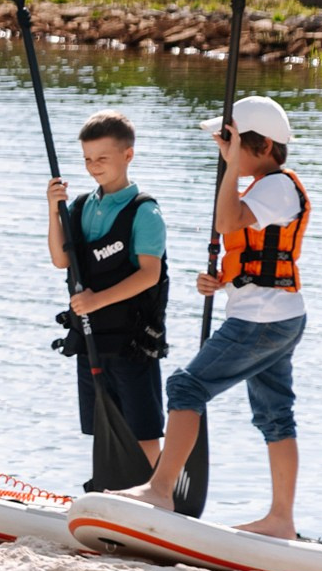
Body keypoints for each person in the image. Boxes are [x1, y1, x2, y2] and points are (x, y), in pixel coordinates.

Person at [121, 96, 310, 538]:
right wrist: (222, 282)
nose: (222, 153)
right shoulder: (267, 186)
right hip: (275, 314)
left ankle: (161, 489)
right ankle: (281, 520)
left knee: (187, 386)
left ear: (261, 147)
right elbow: (253, 249)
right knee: (276, 415)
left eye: (231, 144)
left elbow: (227, 223)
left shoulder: (276, 186)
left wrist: (228, 169)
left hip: (262, 322)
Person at [45, 110, 168, 463]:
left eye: (102, 158)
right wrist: (54, 210)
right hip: (91, 337)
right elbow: (61, 259)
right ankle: (109, 493)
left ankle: (153, 497)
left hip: (132, 340)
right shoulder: (82, 205)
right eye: (86, 159)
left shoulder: (144, 211)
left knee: (142, 428)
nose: (93, 166)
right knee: (102, 424)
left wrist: (96, 300)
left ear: (127, 155)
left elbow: (149, 274)